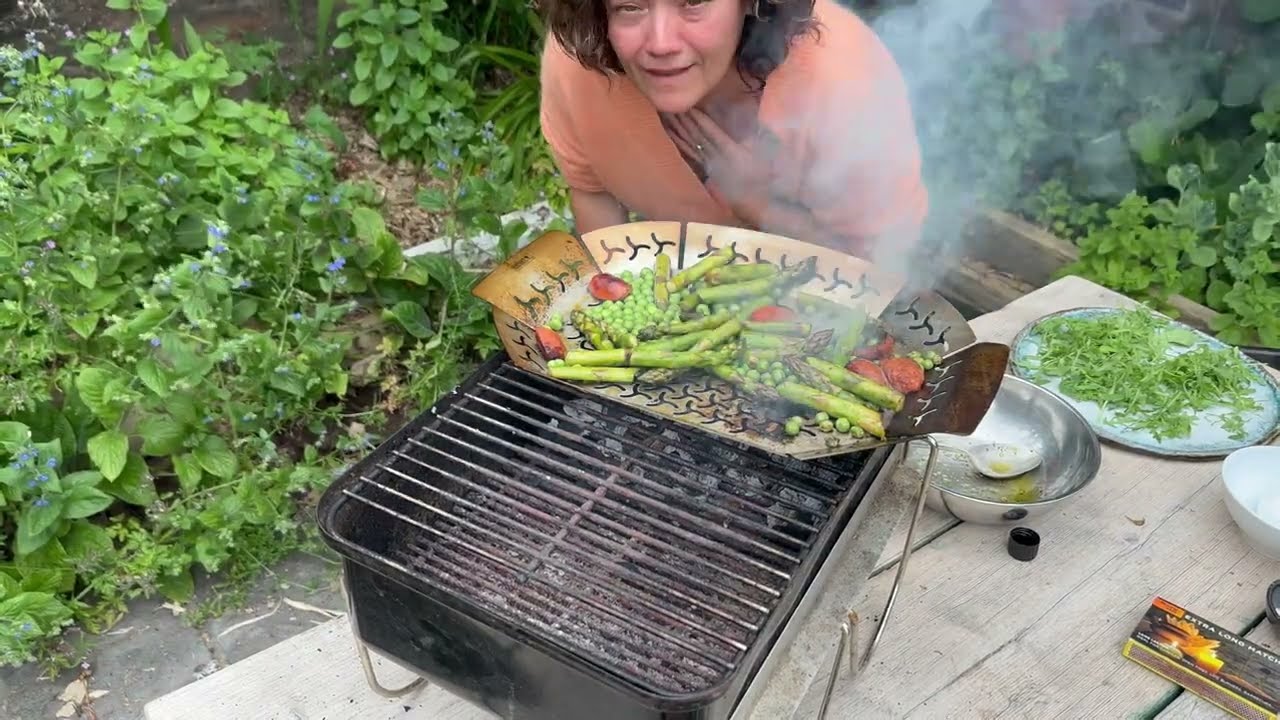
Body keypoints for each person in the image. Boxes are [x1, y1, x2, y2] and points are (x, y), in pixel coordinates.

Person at [537, 0, 929, 265]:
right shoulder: (580, 65)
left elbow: (884, 269)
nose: (660, 43)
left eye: (693, 1)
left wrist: (760, 205)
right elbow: (593, 190)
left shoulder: (844, 81)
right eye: (630, 6)